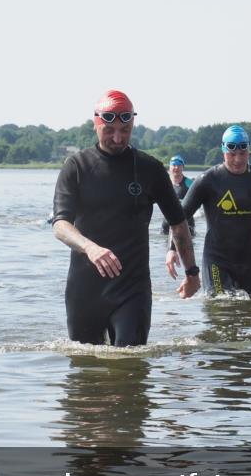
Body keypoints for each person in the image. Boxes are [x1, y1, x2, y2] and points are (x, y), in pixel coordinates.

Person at [53, 90, 200, 346]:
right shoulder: (76, 167)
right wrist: (90, 247)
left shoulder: (150, 169)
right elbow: (60, 225)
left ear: (133, 125)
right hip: (85, 289)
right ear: (96, 124)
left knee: (131, 361)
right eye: (109, 130)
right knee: (85, 366)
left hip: (132, 289)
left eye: (125, 130)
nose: (118, 138)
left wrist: (192, 272)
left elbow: (178, 223)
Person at [167, 125, 251, 299]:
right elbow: (179, 218)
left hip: (250, 263)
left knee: (250, 311)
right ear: (223, 151)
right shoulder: (208, 180)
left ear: (248, 150)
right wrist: (172, 249)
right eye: (232, 154)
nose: (238, 159)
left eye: (242, 153)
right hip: (216, 260)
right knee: (220, 308)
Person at [161, 155, 195, 238]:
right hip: (168, 222)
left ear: (182, 167)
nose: (176, 168)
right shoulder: (164, 183)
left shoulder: (190, 183)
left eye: (179, 165)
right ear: (169, 167)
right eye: (174, 165)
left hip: (187, 222)